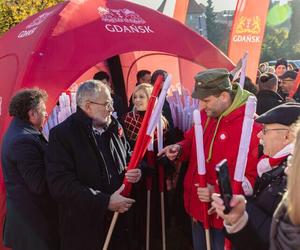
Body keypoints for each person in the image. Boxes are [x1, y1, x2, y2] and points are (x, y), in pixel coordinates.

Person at [158, 68, 261, 250]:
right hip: (198, 206)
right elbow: (192, 141)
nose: (203, 106)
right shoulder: (207, 115)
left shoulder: (250, 124)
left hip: (225, 216)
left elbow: (251, 179)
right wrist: (180, 148)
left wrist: (218, 190)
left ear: (223, 96)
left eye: (206, 101)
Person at [46, 80, 142, 250]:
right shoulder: (62, 135)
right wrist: (104, 202)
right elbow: (61, 185)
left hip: (119, 223)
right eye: (106, 104)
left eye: (111, 103)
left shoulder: (113, 125)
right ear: (88, 106)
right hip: (86, 229)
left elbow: (127, 154)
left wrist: (134, 170)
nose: (111, 109)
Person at [211, 103, 300, 250]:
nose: (259, 134)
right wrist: (239, 217)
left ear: (287, 136)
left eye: (265, 130)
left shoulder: (291, 179)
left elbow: (273, 236)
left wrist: (245, 210)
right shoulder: (272, 166)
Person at [1, 88, 59, 250]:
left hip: (30, 224)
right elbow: (39, 184)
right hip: (33, 227)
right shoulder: (23, 139)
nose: (46, 114)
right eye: (43, 110)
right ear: (32, 114)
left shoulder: (20, 132)